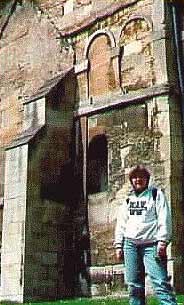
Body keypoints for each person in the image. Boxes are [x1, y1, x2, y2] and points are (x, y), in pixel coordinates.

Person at [114, 164, 177, 305]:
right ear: (131, 180)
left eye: (141, 177)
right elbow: (121, 224)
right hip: (130, 245)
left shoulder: (156, 194)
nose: (138, 180)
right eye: (135, 177)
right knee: (134, 286)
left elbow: (164, 218)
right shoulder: (128, 200)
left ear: (147, 179)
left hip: (152, 245)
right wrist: (118, 245)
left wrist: (163, 241)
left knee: (160, 283)